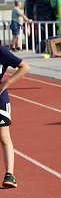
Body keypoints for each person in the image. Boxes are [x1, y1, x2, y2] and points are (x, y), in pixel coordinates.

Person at [0, 44, 30, 189]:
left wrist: (7, 82)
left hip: (0, 99)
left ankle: (10, 174)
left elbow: (24, 67)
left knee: (4, 136)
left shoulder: (1, 51)